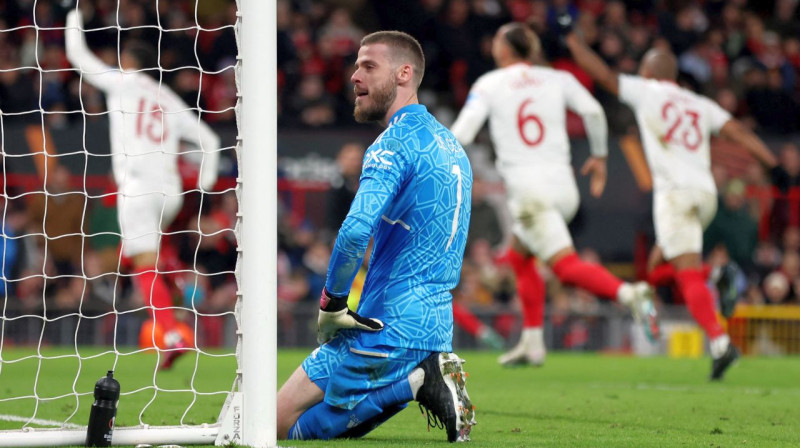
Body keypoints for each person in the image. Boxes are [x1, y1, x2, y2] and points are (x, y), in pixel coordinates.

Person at [276, 31, 476, 442]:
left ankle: (418, 381)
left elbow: (353, 233)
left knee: (274, 426)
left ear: (404, 74)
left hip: (385, 322)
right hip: (434, 322)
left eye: (369, 66)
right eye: (355, 66)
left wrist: (332, 303)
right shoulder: (451, 145)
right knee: (298, 416)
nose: (354, 76)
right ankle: (419, 378)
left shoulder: (393, 143)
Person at [563, 21, 779, 380]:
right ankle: (717, 278)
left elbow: (602, 74)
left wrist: (572, 39)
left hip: (675, 194)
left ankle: (721, 341)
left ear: (648, 72)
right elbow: (738, 131)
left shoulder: (647, 90)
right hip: (706, 193)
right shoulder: (699, 102)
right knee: (658, 269)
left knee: (687, 274)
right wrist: (774, 166)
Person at [450, 23, 658, 367]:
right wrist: (601, 156)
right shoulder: (558, 78)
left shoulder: (489, 84)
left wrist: (438, 159)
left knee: (565, 267)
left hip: (529, 193)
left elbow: (464, 131)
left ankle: (631, 294)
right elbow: (593, 111)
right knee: (520, 258)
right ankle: (532, 343)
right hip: (564, 187)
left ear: (503, 50)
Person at [65, 10, 220, 369]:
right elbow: (209, 141)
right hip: (171, 191)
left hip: (137, 185)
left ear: (130, 62)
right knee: (143, 256)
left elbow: (78, 57)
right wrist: (206, 180)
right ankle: (176, 297)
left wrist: (73, 14)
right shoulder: (167, 97)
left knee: (143, 268)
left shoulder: (123, 82)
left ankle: (171, 334)